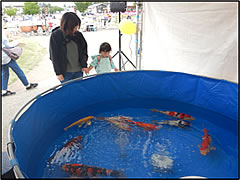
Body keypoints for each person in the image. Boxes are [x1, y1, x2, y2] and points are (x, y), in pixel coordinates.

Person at [49, 12, 89, 83]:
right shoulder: (55, 36)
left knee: (78, 91)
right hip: (65, 73)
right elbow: (54, 56)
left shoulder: (78, 35)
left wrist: (84, 65)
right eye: (74, 27)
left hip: (78, 71)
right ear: (67, 26)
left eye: (77, 26)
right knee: (68, 92)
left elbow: (84, 51)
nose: (76, 29)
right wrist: (58, 72)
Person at [2, 30, 38, 97]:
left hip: (2, 59)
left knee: (4, 73)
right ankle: (27, 85)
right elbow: (7, 45)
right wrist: (16, 43)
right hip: (5, 56)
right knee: (18, 70)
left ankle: (3, 90)